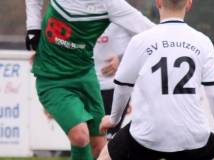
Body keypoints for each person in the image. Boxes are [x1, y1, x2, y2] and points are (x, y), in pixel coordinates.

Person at [98, 0, 214, 160]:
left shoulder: (140, 40)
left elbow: (123, 87)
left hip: (146, 137)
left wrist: (113, 119)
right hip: (192, 137)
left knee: (105, 155)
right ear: (188, 4)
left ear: (158, 3)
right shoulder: (203, 42)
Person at [25, 0, 156, 160]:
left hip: (86, 76)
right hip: (52, 78)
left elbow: (152, 33)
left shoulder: (111, 4)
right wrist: (33, 27)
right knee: (80, 136)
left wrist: (185, 42)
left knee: (100, 148)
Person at [93, 23, 132, 140]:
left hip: (114, 88)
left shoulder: (123, 12)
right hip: (88, 87)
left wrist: (122, 58)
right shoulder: (81, 13)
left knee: (108, 140)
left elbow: (149, 41)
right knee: (90, 140)